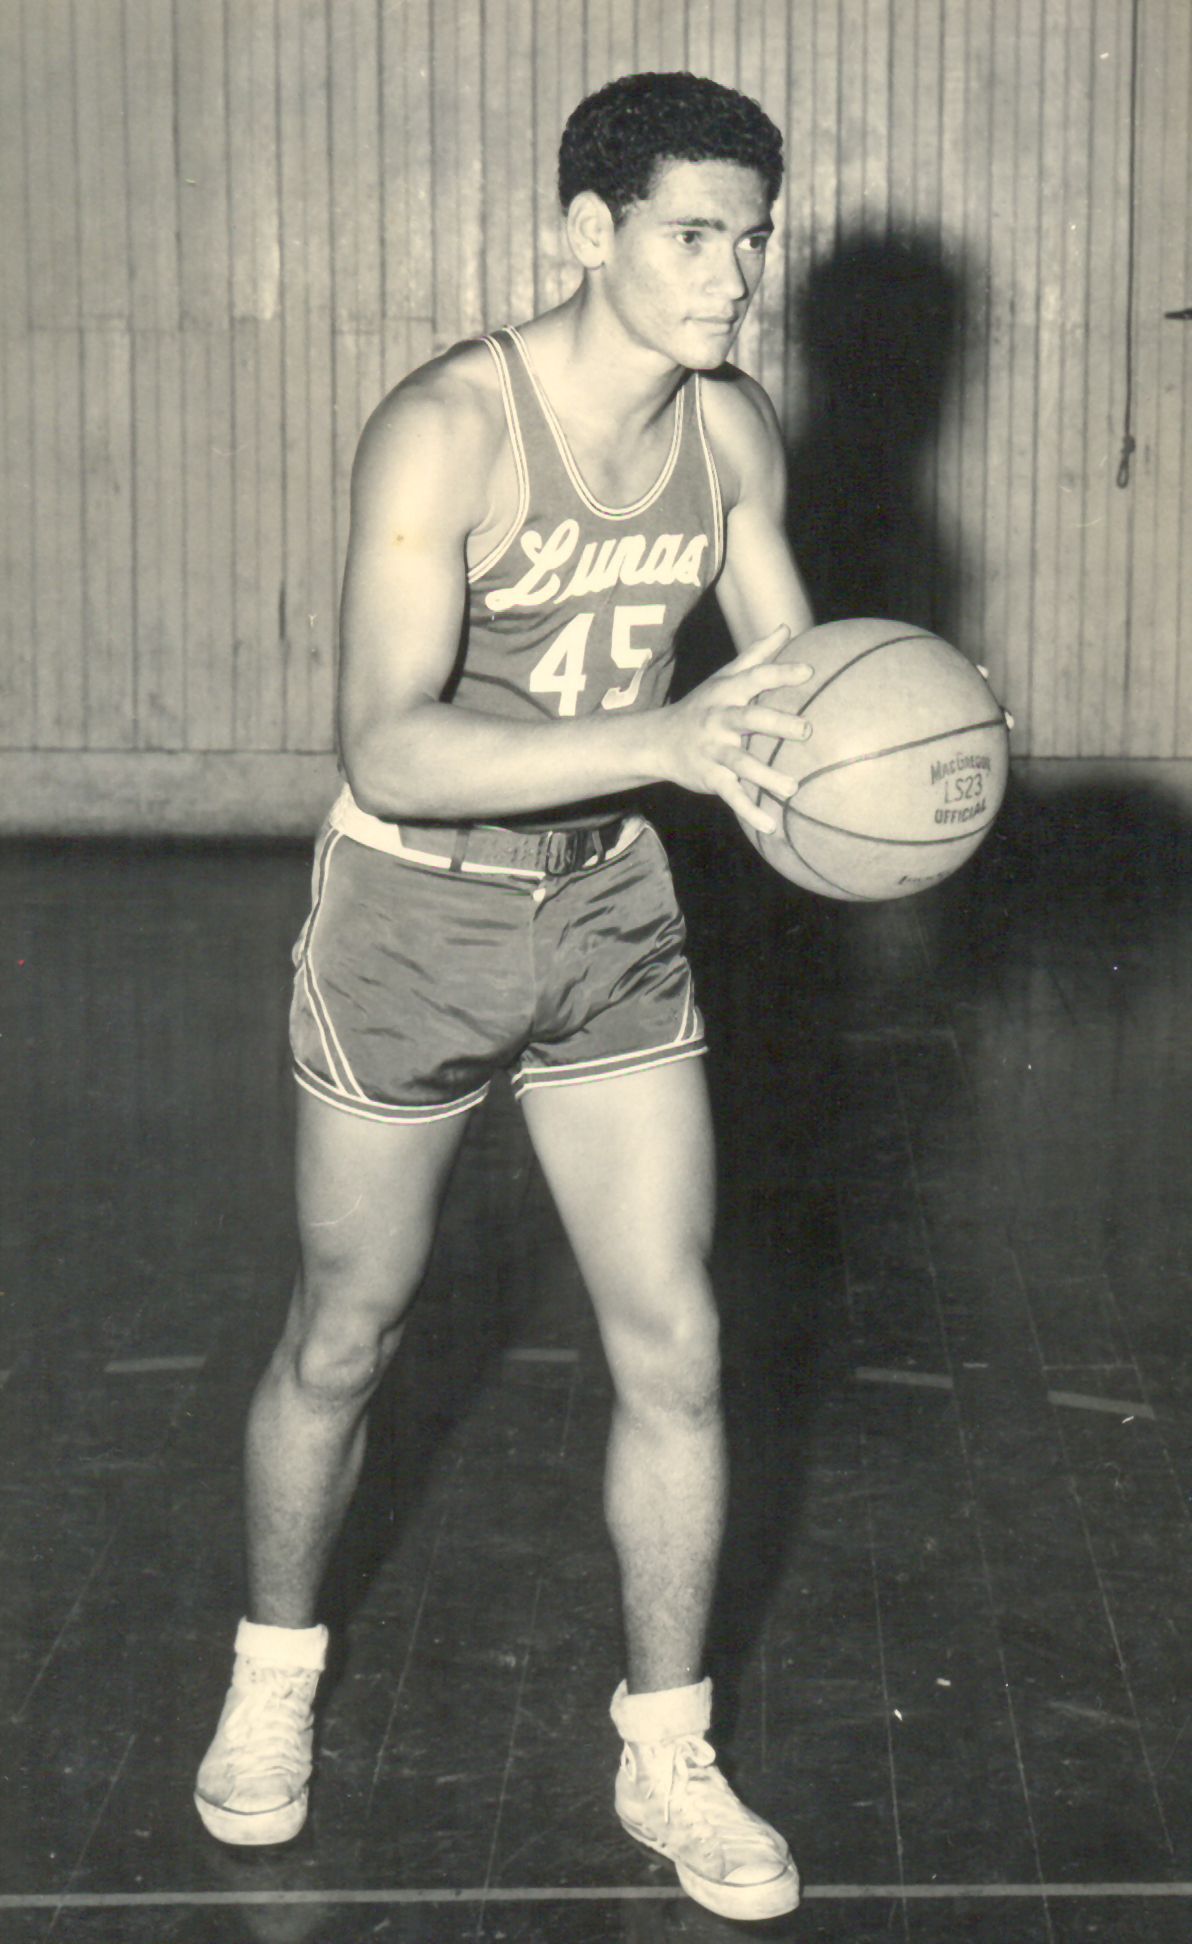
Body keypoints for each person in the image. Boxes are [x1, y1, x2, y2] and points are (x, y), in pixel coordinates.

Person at [195, 70, 815, 1923]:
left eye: (754, 239)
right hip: (414, 915)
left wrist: (898, 745)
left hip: (610, 909)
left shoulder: (730, 431)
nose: (734, 277)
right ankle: (272, 1679)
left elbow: (790, 693)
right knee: (346, 1330)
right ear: (589, 232)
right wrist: (673, 740)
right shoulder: (448, 427)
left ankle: (669, 1746)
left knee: (677, 1340)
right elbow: (388, 746)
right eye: (694, 236)